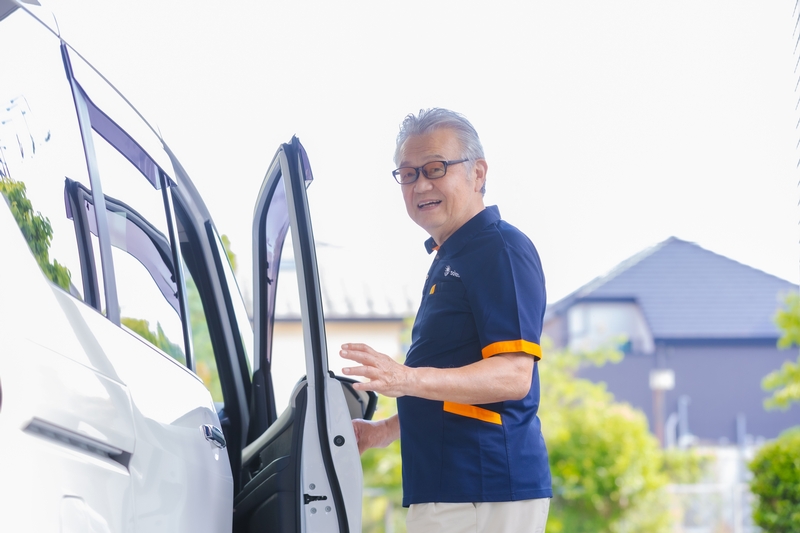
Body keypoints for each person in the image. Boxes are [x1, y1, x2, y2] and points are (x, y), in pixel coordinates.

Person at [340, 108, 551, 533]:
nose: (421, 184)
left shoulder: (499, 249)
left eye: (435, 168)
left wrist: (406, 379)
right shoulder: (451, 257)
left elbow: (513, 376)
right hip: (452, 487)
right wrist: (381, 431)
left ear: (478, 173)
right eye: (408, 174)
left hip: (484, 487)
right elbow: (451, 386)